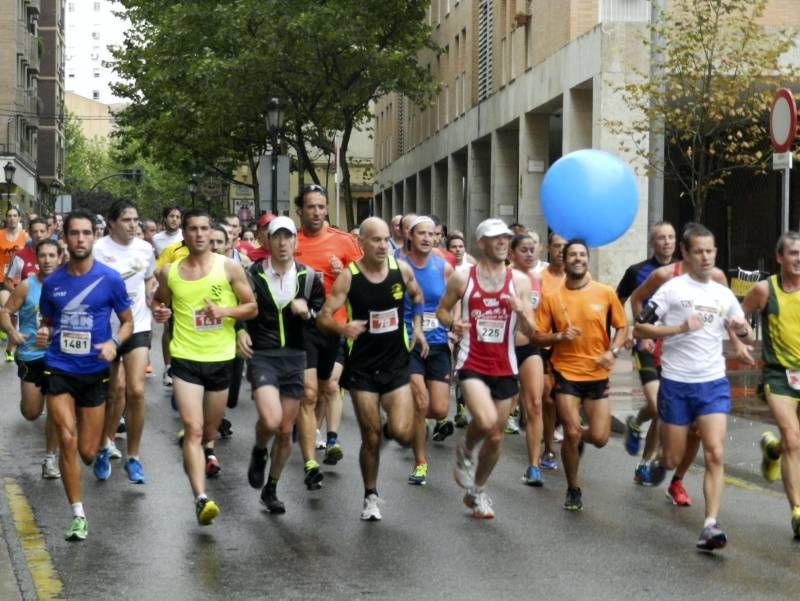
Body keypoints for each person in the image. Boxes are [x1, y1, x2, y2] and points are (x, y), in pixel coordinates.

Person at [635, 223, 752, 551]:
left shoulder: (722, 293)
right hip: (676, 383)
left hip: (712, 383)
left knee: (715, 451)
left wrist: (741, 330)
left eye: (710, 251)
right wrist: (677, 328)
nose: (705, 257)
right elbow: (641, 327)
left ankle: (710, 525)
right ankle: (660, 464)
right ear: (685, 253)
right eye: (699, 251)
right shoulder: (672, 289)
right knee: (672, 458)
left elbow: (749, 335)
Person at [152, 208, 256, 526]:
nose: (199, 234)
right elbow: (159, 301)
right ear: (183, 234)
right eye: (192, 229)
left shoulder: (229, 268)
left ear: (211, 233)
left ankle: (206, 452)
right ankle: (200, 498)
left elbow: (251, 307)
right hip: (185, 358)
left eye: (204, 229)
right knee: (193, 429)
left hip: (221, 359)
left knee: (209, 430)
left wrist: (224, 311)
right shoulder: (170, 272)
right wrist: (159, 312)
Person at [317, 217, 426, 521]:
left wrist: (417, 327)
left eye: (386, 239)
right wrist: (344, 328)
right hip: (363, 369)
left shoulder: (400, 270)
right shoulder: (349, 278)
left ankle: (391, 430)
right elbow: (324, 317)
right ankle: (371, 496)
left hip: (395, 364)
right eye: (375, 240)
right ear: (361, 243)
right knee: (371, 435)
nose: (382, 245)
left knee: (403, 432)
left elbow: (417, 297)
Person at [36, 209, 134, 541]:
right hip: (60, 368)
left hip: (94, 372)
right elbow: (48, 323)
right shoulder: (53, 283)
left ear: (95, 236)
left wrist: (115, 343)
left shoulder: (110, 279)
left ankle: (101, 447)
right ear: (65, 237)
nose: (80, 239)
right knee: (66, 438)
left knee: (88, 453)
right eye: (74, 233)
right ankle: (77, 514)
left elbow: (128, 321)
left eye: (86, 233)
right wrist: (43, 334)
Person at [437, 218, 537, 519]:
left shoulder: (519, 281)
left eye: (506, 237)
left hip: (505, 365)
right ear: (481, 243)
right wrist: (453, 323)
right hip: (472, 362)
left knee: (495, 436)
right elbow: (442, 310)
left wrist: (520, 311)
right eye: (496, 238)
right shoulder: (462, 277)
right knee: (485, 418)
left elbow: (531, 331)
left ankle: (478, 491)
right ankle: (466, 449)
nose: (503, 242)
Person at [239, 216, 326, 513]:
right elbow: (241, 308)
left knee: (286, 430)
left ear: (295, 241)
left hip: (295, 357)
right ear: (267, 241)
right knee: (271, 420)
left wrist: (308, 314)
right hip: (263, 355)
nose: (283, 243)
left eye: (288, 237)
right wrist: (240, 331)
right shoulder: (252, 275)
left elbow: (322, 318)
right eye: (277, 237)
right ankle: (260, 450)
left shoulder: (309, 277)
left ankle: (271, 488)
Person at [535, 239, 628, 512]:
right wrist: (558, 336)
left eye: (582, 254)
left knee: (599, 437)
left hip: (597, 373)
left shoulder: (605, 293)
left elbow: (622, 328)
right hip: (565, 373)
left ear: (587, 259)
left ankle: (576, 443)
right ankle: (573, 487)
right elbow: (538, 337)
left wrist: (613, 351)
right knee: (572, 431)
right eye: (572, 254)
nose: (578, 258)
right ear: (564, 260)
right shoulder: (553, 298)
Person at [294, 184, 362, 488]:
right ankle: (311, 449)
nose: (317, 212)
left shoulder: (344, 242)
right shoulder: (289, 242)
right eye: (311, 207)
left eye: (322, 207)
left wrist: (343, 270)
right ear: (300, 210)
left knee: (330, 386)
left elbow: (364, 280)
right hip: (302, 328)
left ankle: (331, 438)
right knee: (310, 393)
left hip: (335, 325)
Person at [92, 200, 156, 484]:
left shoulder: (145, 249)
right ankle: (105, 444)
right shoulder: (98, 249)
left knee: (136, 391)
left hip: (138, 325)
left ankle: (133, 457)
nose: (134, 225)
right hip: (107, 328)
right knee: (114, 391)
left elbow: (149, 280)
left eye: (136, 219)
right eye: (127, 220)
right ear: (112, 223)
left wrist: (154, 298)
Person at [741, 231, 800, 538]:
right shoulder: (765, 290)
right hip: (779, 375)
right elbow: (739, 317)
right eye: (792, 253)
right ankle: (797, 512)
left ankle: (772, 450)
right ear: (779, 258)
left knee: (792, 442)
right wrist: (744, 340)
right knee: (793, 438)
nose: (798, 259)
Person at [616, 222, 676, 484]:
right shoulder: (637, 271)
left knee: (664, 411)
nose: (666, 242)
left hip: (674, 348)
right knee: (657, 405)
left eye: (671, 237)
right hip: (646, 346)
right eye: (661, 238)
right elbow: (618, 301)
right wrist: (627, 330)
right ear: (652, 242)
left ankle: (644, 463)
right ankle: (637, 422)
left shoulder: (683, 271)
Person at [399, 216, 455, 487]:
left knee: (439, 409)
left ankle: (407, 417)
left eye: (432, 234)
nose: (427, 238)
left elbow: (453, 298)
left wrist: (454, 325)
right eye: (421, 233)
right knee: (422, 403)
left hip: (438, 343)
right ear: (410, 235)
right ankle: (420, 463)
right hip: (408, 344)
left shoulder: (442, 266)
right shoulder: (399, 266)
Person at [0, 239, 63, 478]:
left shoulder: (68, 285)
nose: (47, 260)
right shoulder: (26, 286)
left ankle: (50, 459)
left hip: (59, 356)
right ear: (36, 259)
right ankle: (33, 401)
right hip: (31, 355)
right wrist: (13, 333)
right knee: (31, 412)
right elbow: (5, 312)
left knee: (56, 410)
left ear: (60, 258)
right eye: (43, 256)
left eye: (52, 255)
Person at [508, 233, 547, 486]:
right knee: (497, 415)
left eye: (533, 249)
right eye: (524, 249)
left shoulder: (541, 280)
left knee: (534, 404)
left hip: (529, 348)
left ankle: (533, 466)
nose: (530, 254)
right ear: (512, 254)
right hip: (500, 350)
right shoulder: (501, 277)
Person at [0, 207, 30, 361]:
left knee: (13, 314)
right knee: (8, 308)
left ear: (19, 218)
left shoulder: (25, 237)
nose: (12, 218)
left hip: (20, 280)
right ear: (6, 218)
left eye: (14, 216)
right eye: (9, 215)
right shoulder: (0, 235)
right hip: (2, 279)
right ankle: (3, 326)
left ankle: (9, 349)